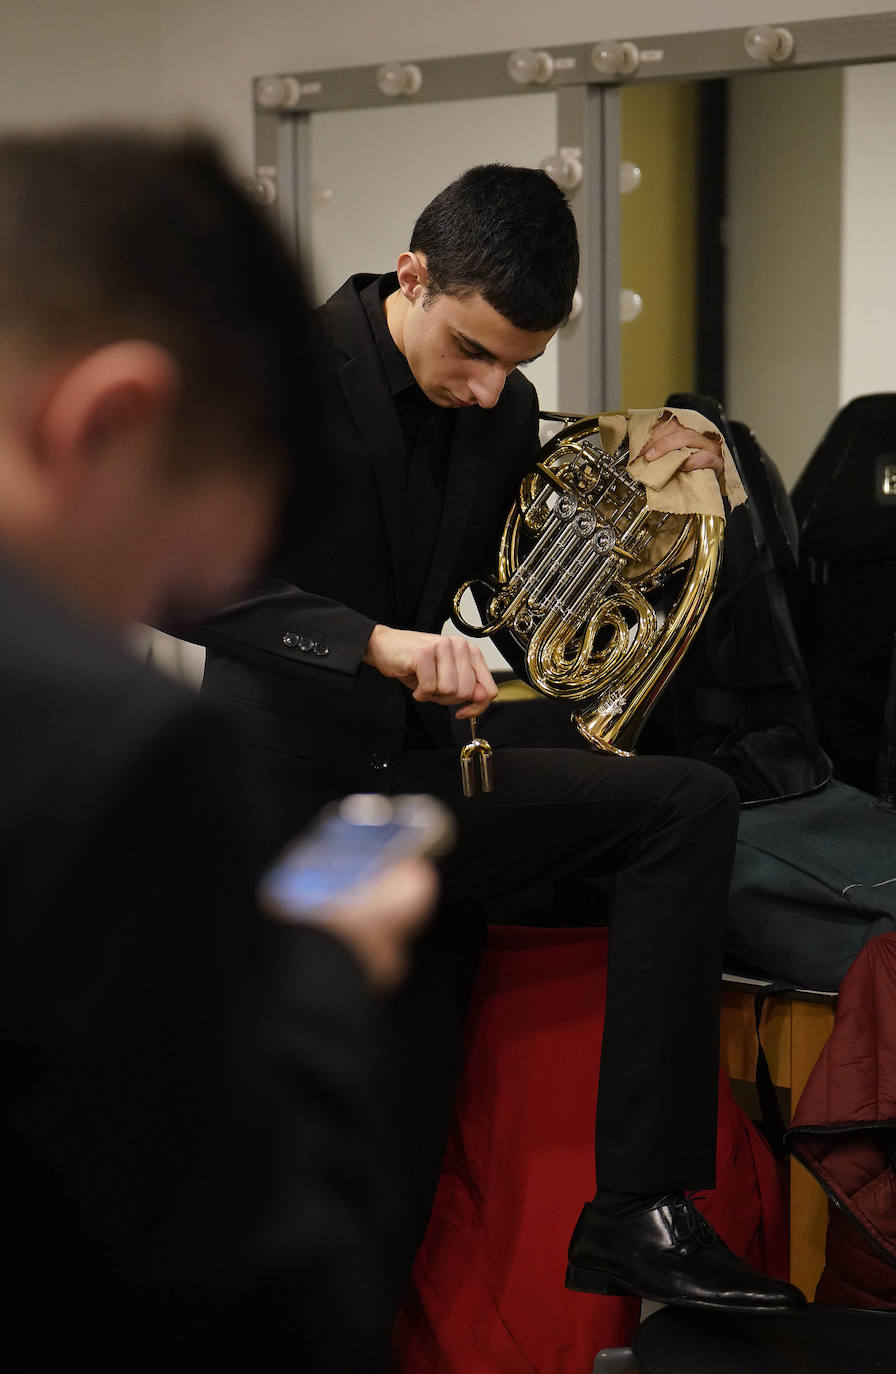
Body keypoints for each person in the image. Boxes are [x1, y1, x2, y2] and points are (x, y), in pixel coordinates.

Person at [193, 164, 806, 1331]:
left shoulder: (509, 407)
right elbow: (180, 582)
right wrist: (369, 644)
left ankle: (635, 1204)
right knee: (330, 1175)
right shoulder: (269, 369)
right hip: (288, 809)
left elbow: (529, 589)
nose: (485, 391)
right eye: (469, 351)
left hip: (414, 797)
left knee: (683, 803)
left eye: (513, 364)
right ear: (412, 276)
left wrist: (657, 466)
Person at [0, 128, 437, 1370]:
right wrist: (319, 967)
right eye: (177, 570)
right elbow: (253, 1311)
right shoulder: (107, 752)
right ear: (108, 420)